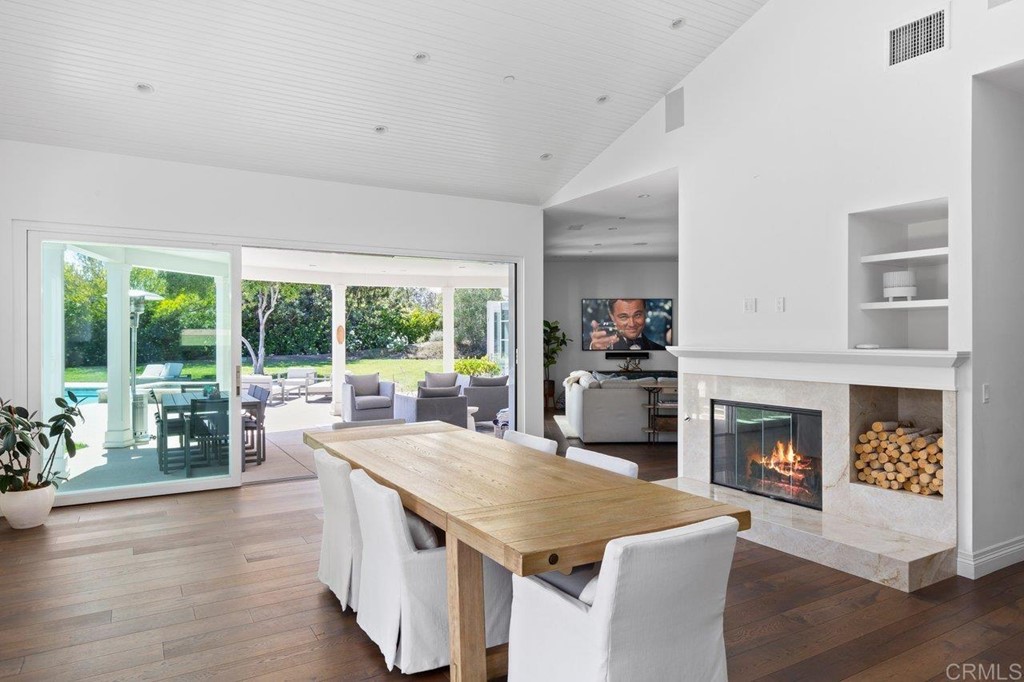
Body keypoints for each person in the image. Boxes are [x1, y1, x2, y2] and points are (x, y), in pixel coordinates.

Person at [588, 298, 666, 351]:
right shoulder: (594, 346)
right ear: (612, 317)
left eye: (637, 315)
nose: (632, 324)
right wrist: (595, 350)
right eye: (623, 317)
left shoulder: (661, 350)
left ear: (645, 313)